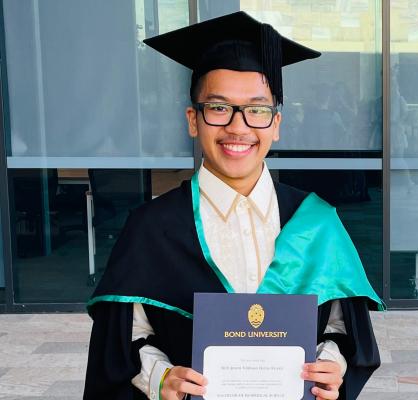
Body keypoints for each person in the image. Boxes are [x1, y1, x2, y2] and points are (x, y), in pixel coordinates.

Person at [83, 12, 384, 400]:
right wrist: (161, 379)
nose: (238, 128)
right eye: (219, 107)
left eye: (257, 110)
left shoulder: (318, 222)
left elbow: (342, 331)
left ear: (276, 123)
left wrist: (332, 366)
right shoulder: (151, 227)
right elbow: (125, 340)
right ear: (194, 120)